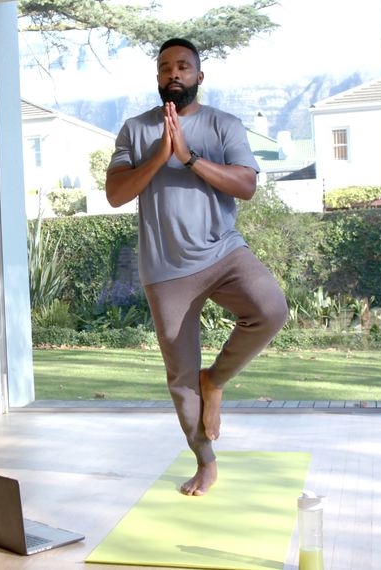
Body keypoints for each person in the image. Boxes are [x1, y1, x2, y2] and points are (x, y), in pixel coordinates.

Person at [105, 38, 289, 496]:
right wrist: (160, 154)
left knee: (270, 309)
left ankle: (217, 378)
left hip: (223, 253)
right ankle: (205, 463)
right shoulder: (134, 130)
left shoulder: (224, 125)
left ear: (199, 77)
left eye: (183, 66)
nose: (174, 74)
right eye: (165, 67)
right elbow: (116, 193)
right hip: (166, 269)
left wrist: (188, 157)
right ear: (158, 77)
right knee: (180, 378)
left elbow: (246, 185)